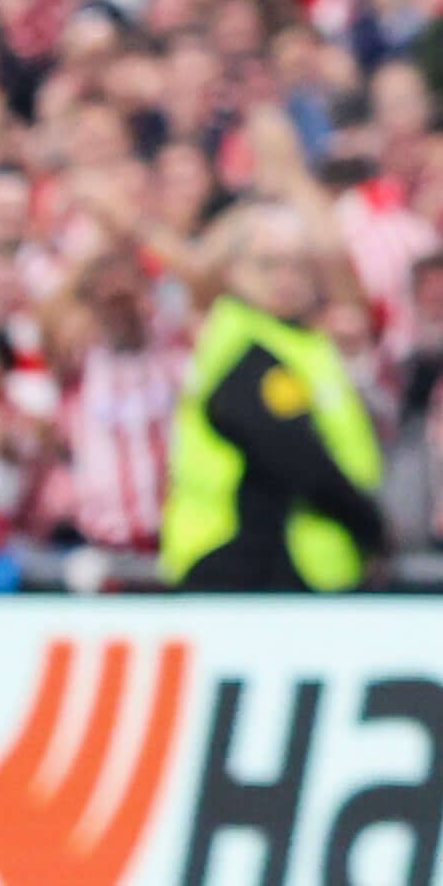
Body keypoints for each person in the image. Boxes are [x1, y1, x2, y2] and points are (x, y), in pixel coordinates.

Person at [159, 204, 385, 594]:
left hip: (292, 558)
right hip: (237, 556)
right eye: (268, 265)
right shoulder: (246, 348)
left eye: (299, 266)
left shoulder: (294, 340)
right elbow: (296, 455)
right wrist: (371, 526)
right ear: (233, 271)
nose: (286, 279)